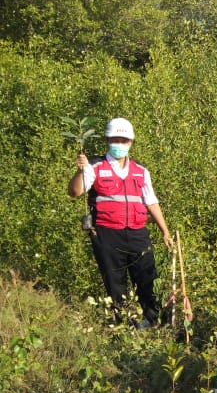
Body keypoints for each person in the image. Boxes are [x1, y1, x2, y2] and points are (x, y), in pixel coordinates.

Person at [67, 117, 175, 329]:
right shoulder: (94, 166)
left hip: (137, 232)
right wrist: (80, 170)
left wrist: (165, 231)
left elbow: (151, 201)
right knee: (115, 282)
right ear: (107, 141)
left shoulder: (141, 171)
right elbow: (75, 191)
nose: (119, 144)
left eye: (123, 140)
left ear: (131, 142)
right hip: (106, 233)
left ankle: (152, 321)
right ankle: (123, 325)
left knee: (147, 277)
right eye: (115, 139)